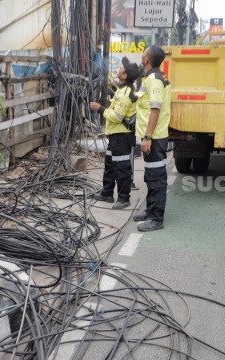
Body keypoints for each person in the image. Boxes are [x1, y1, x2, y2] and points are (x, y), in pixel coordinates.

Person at [89, 58, 141, 209]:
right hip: (116, 135)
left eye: (121, 67)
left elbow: (118, 116)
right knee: (110, 164)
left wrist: (99, 108)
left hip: (122, 136)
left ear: (124, 76)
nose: (118, 67)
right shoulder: (122, 89)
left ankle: (124, 198)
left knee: (122, 167)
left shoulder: (125, 93)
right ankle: (107, 193)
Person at [133, 45, 171, 232]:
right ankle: (150, 210)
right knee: (150, 176)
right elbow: (138, 99)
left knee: (156, 177)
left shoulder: (155, 80)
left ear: (147, 59)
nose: (142, 55)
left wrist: (148, 137)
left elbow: (155, 109)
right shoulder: (147, 78)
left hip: (154, 137)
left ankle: (157, 218)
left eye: (144, 52)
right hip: (148, 135)